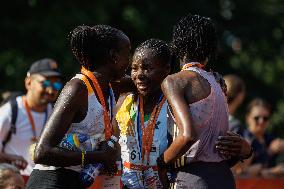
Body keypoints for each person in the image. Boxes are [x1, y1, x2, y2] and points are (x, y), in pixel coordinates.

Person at [26, 25, 131, 189]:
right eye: (127, 53)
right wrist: (98, 156)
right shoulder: (78, 89)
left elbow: (145, 81)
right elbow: (42, 152)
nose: (130, 61)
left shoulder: (110, 89)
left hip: (74, 182)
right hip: (50, 181)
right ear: (114, 56)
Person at [158, 14, 247, 189]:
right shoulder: (219, 83)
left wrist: (161, 164)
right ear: (211, 49)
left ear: (176, 45)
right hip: (224, 178)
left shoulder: (174, 81)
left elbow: (187, 135)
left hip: (192, 179)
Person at [115, 39, 172, 188]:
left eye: (147, 68)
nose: (139, 74)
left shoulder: (174, 105)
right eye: (134, 68)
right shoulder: (123, 103)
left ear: (166, 69)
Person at [0, 58, 62, 176]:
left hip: (40, 181)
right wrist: (10, 158)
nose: (50, 90)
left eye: (56, 84)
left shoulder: (55, 114)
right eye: (46, 83)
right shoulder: (10, 111)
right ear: (28, 83)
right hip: (13, 182)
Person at [242, 98, 284, 176]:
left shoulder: (270, 138)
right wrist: (269, 152)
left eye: (265, 118)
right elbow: (241, 172)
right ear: (248, 118)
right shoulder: (243, 140)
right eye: (257, 118)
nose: (261, 121)